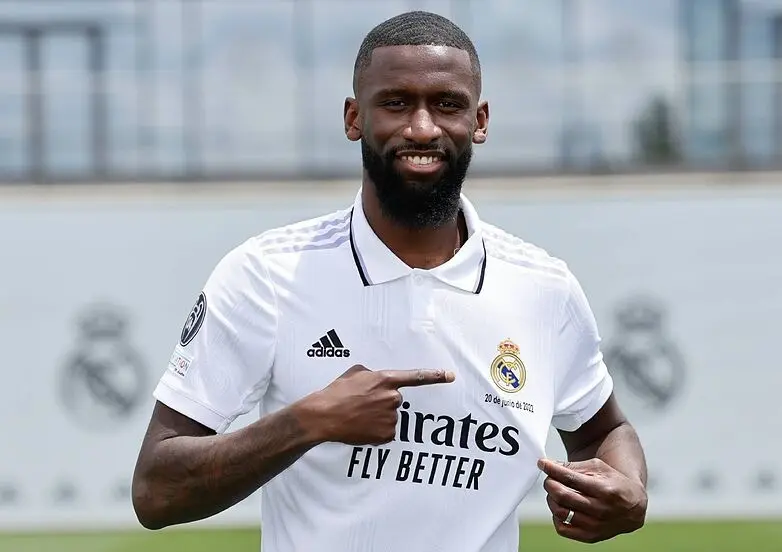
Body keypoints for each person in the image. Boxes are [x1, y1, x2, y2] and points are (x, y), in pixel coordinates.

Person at [131, 10, 648, 552]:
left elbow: (603, 432)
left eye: (447, 104)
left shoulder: (545, 289)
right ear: (354, 118)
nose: (422, 127)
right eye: (396, 102)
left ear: (481, 120)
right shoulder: (266, 274)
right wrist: (307, 422)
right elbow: (156, 491)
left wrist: (628, 490)